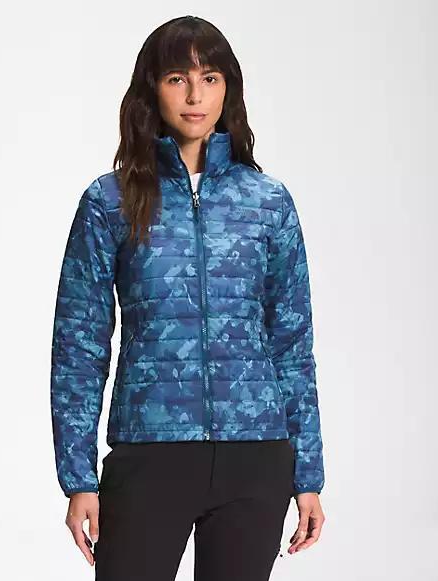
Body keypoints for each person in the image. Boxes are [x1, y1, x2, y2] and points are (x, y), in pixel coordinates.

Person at [50, 14, 326, 581]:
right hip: (150, 450)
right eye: (178, 78)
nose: (196, 96)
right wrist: (79, 478)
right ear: (152, 89)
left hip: (256, 454)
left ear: (229, 89)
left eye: (210, 78)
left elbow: (292, 345)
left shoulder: (268, 202)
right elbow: (78, 346)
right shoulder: (110, 201)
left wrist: (307, 476)